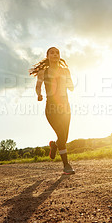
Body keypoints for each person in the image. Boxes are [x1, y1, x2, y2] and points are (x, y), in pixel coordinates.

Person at [29, 47, 75, 175]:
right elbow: (38, 87)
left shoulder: (65, 71)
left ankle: (54, 145)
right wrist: (39, 95)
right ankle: (66, 165)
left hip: (65, 107)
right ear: (48, 56)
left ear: (59, 56)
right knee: (61, 134)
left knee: (64, 137)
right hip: (51, 108)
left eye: (57, 53)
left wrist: (67, 81)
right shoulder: (43, 72)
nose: (55, 55)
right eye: (52, 53)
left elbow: (71, 88)